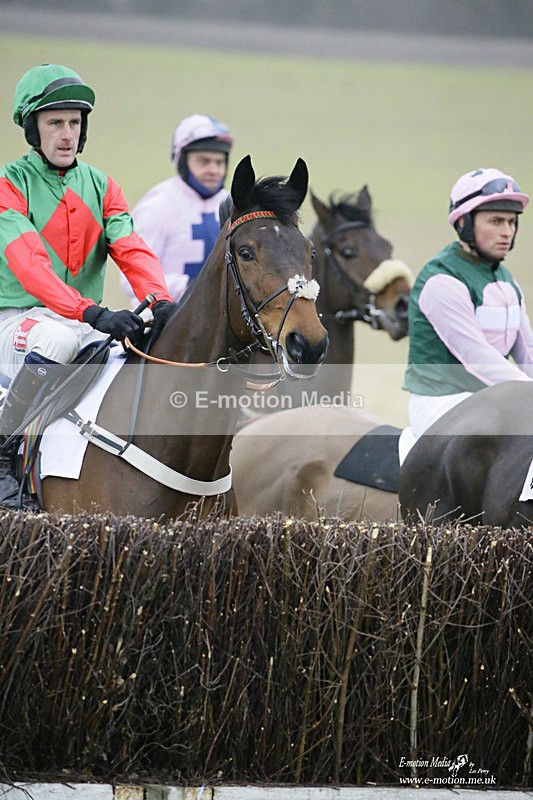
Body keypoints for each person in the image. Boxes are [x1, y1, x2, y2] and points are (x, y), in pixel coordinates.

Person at [0, 63, 175, 508]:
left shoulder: (102, 186)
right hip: (19, 320)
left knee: (137, 352)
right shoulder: (9, 185)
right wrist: (93, 313)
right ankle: (3, 455)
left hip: (80, 319)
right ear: (32, 131)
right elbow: (31, 267)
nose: (66, 135)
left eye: (74, 123)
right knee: (57, 338)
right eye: (54, 123)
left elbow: (132, 249)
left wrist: (159, 299)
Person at [399, 167, 533, 463]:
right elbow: (477, 357)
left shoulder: (508, 281)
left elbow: (527, 353)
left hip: (493, 399)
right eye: (496, 221)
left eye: (511, 222)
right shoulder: (441, 280)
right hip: (441, 402)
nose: (507, 231)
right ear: (464, 223)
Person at [120, 114, 233, 304]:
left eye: (220, 162)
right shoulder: (157, 206)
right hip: (163, 318)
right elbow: (130, 280)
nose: (214, 170)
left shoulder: (232, 204)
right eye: (204, 161)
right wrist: (191, 285)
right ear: (182, 160)